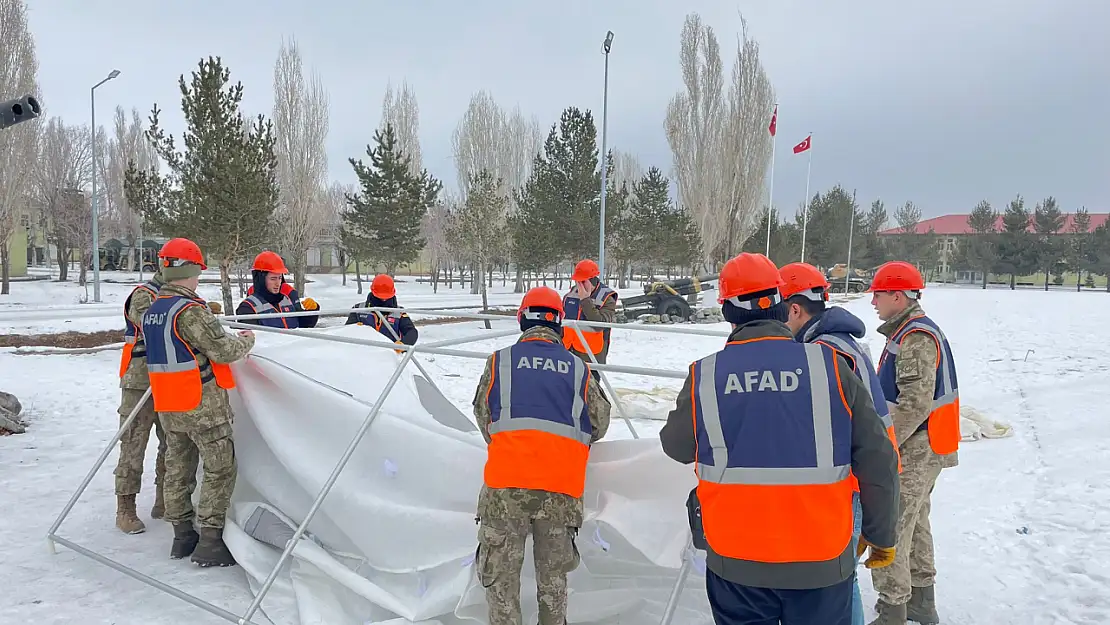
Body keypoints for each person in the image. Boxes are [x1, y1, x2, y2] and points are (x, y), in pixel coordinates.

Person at [659, 252, 900, 625]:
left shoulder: (706, 376)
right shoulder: (830, 367)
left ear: (727, 313)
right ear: (782, 305)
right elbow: (877, 457)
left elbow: (675, 446)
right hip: (820, 560)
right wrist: (880, 534)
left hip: (736, 561)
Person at [471, 286, 611, 625]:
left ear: (521, 319)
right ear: (560, 324)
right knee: (553, 584)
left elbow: (484, 415)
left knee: (501, 584)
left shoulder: (499, 362)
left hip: (505, 490)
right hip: (561, 491)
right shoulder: (579, 369)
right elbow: (599, 422)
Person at [780, 262, 902, 625]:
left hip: (847, 488)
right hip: (863, 481)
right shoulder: (840, 344)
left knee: (837, 585)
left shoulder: (824, 355)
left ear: (795, 309)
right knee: (841, 582)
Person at [142, 238, 256, 567]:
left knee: (178, 469)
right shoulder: (189, 311)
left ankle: (182, 536)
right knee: (220, 468)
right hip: (201, 404)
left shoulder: (153, 310)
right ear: (191, 271)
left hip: (169, 403)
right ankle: (210, 541)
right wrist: (247, 340)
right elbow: (223, 350)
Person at [867, 261, 959, 625]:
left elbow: (915, 403)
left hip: (918, 446)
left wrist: (883, 444)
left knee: (891, 526)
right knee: (916, 522)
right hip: (925, 443)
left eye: (877, 294)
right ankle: (921, 601)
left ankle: (893, 610)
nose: (873, 301)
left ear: (897, 295)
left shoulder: (915, 336)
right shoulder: (906, 331)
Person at [114, 269, 168, 534]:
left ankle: (164, 499)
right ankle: (125, 509)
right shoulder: (144, 295)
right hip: (140, 381)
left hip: (170, 379)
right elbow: (154, 327)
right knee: (134, 443)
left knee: (171, 443)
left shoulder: (178, 295)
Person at [234, 251, 319, 329]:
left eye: (279, 278)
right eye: (273, 278)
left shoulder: (287, 299)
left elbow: (302, 326)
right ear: (261, 279)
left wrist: (312, 312)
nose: (278, 283)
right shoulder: (247, 308)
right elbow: (252, 340)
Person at [561, 259, 618, 371]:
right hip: (568, 352)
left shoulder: (607, 299)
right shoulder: (571, 294)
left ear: (592, 280)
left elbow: (599, 324)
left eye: (582, 281)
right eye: (577, 281)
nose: (579, 285)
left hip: (592, 355)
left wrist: (585, 300)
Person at [345, 273, 418, 347]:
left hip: (389, 353)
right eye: (380, 297)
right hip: (363, 352)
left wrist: (402, 345)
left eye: (386, 297)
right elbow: (346, 331)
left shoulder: (399, 313)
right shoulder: (358, 309)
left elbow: (411, 332)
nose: (383, 300)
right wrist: (353, 328)